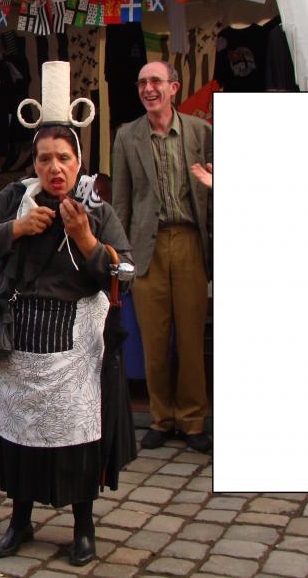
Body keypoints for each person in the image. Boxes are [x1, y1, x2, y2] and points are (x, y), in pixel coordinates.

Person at [0, 124, 133, 566]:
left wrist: (86, 239)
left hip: (74, 349)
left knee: (76, 442)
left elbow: (125, 274)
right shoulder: (15, 199)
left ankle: (83, 527)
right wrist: (16, 229)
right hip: (17, 343)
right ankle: (20, 520)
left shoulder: (97, 208)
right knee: (17, 437)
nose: (54, 167)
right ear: (34, 163)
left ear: (78, 163)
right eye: (44, 159)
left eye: (64, 158)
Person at [112, 60, 213, 453]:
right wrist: (120, 257)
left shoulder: (201, 132)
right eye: (141, 82)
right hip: (144, 248)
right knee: (153, 338)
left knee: (190, 336)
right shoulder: (126, 136)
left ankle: (192, 420)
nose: (148, 88)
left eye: (155, 81)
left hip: (189, 242)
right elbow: (120, 201)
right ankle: (160, 417)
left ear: (174, 87)